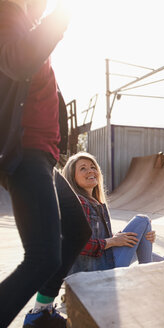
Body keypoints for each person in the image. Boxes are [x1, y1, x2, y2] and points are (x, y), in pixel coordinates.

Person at [0, 1, 92, 327]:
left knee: (79, 229)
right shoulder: (8, 13)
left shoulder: (28, 21)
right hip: (25, 153)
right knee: (42, 257)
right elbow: (15, 61)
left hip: (44, 157)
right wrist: (61, 17)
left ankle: (41, 311)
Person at [62, 152, 164, 274]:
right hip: (94, 270)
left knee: (136, 238)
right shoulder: (80, 203)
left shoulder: (95, 203)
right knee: (142, 220)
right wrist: (112, 241)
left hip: (99, 264)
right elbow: (78, 244)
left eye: (93, 167)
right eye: (83, 168)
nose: (91, 171)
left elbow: (95, 236)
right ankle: (149, 274)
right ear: (72, 176)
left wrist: (120, 237)